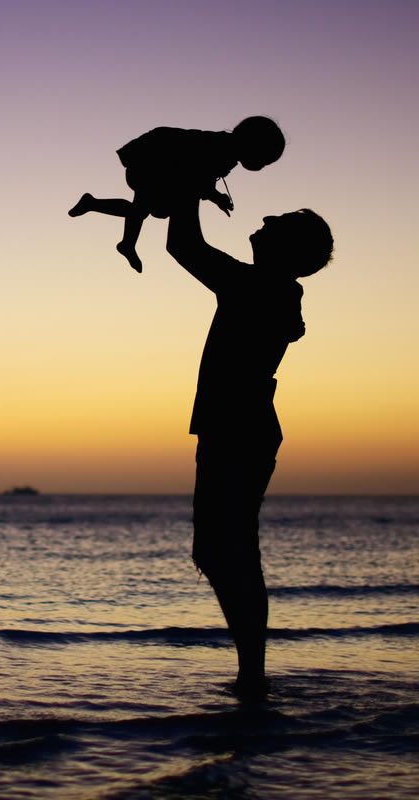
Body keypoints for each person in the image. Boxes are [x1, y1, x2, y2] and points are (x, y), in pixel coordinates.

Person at [165, 198, 333, 699]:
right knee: (225, 550)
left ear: (287, 247)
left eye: (274, 223)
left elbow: (182, 245)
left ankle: (252, 677)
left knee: (226, 551)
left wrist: (188, 184)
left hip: (237, 429)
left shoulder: (255, 285)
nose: (261, 222)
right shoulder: (275, 290)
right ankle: (251, 674)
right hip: (238, 427)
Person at [70, 116, 286, 273]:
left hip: (159, 165)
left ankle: (96, 207)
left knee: (141, 210)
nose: (261, 167)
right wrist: (213, 196)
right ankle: (125, 242)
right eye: (264, 160)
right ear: (254, 147)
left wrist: (216, 197)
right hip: (151, 160)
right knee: (141, 208)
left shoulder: (226, 153)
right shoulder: (220, 149)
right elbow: (198, 176)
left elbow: (203, 180)